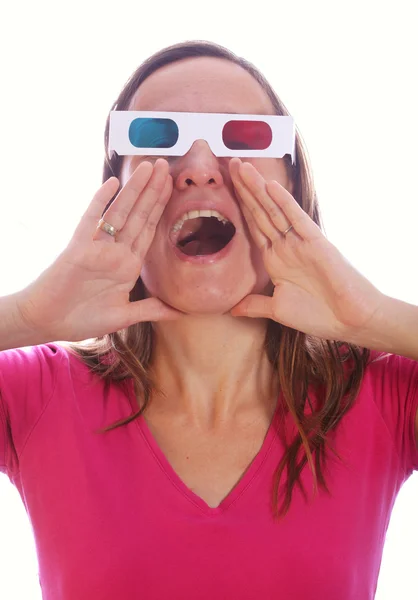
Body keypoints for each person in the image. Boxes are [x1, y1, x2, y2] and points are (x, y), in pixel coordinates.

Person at [0, 40, 417, 600]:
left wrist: (374, 317)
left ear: (293, 186)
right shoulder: (33, 394)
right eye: (155, 137)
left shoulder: (382, 396)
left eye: (242, 137)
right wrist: (26, 316)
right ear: (115, 196)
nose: (197, 168)